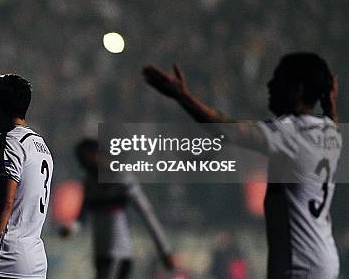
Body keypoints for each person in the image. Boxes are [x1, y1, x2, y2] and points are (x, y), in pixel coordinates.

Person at [142, 52, 340, 278]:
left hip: (299, 265)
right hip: (323, 259)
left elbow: (224, 128)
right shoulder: (331, 132)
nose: (270, 85)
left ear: (297, 89)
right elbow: (329, 120)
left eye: (278, 79)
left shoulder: (288, 133)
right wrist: (329, 105)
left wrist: (183, 97)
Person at [0, 74, 53, 279]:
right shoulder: (41, 146)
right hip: (36, 261)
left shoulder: (9, 142)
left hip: (6, 261)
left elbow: (5, 203)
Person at [61, 138, 176, 279]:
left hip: (118, 252)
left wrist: (165, 251)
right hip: (100, 252)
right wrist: (71, 228)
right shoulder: (90, 183)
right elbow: (82, 216)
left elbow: (147, 214)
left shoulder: (122, 179)